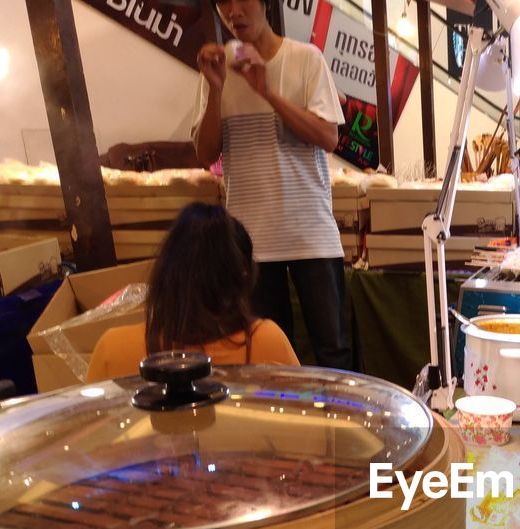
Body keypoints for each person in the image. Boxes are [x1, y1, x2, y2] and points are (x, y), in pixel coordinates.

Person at [192, 0, 354, 370]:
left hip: (310, 233)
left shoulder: (306, 59)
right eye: (223, 3)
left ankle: (344, 428)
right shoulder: (216, 71)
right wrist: (216, 90)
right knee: (268, 359)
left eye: (241, 0)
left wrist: (268, 93)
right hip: (251, 241)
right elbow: (205, 153)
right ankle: (283, 429)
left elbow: (328, 137)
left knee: (334, 354)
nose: (233, 11)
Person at [87, 204, 299, 382]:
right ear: (243, 275)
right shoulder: (268, 341)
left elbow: (92, 428)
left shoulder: (113, 348)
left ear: (165, 272)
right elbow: (300, 421)